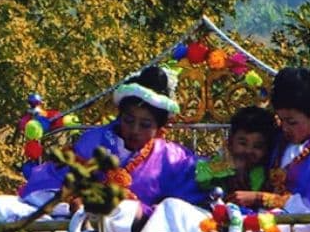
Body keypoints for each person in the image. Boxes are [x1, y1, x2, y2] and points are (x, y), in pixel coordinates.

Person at [21, 66, 202, 208]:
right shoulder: (94, 141)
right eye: (129, 120)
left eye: (145, 125)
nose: (135, 130)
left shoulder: (170, 156)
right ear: (119, 116)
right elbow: (60, 178)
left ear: (160, 128)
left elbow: (196, 184)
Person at [233, 66, 310, 215]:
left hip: (300, 231)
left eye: (292, 122)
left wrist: (259, 198)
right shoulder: (277, 141)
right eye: (280, 120)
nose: (284, 128)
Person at [194, 105, 275, 197]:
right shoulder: (220, 163)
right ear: (230, 142)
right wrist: (230, 169)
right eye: (243, 143)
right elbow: (200, 179)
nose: (248, 151)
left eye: (257, 146)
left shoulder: (267, 172)